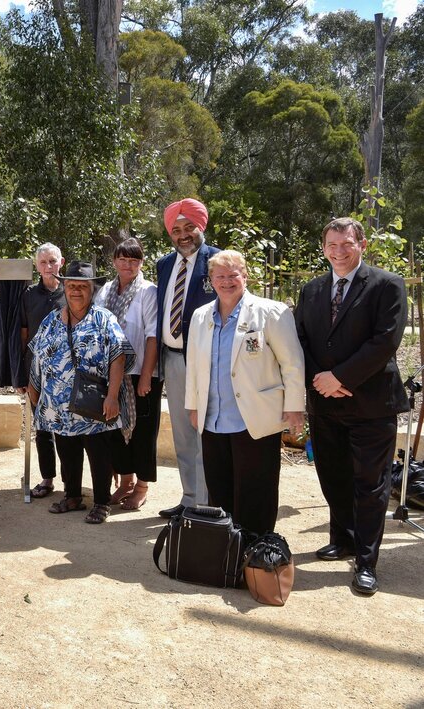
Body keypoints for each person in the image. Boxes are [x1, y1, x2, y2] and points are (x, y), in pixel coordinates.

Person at [294, 217, 409, 596]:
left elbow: (384, 341)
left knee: (370, 484)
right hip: (325, 404)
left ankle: (366, 560)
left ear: (361, 244)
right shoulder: (310, 290)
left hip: (372, 404)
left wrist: (340, 378)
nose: (339, 252)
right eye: (332, 244)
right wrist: (319, 380)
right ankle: (342, 538)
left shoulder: (387, 285)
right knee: (333, 476)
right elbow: (301, 342)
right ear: (323, 247)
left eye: (346, 244)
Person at [184, 250, 305, 534]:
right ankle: (224, 551)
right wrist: (193, 405)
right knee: (219, 489)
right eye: (220, 276)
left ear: (245, 276)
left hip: (255, 417)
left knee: (256, 490)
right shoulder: (201, 316)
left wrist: (295, 406)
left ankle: (255, 553)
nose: (227, 282)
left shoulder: (271, 312)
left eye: (233, 275)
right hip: (212, 418)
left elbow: (292, 363)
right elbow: (193, 367)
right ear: (211, 280)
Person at [27, 261, 134, 524]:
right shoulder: (51, 320)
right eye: (71, 285)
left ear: (92, 289)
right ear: (64, 287)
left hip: (93, 403)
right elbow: (37, 357)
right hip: (57, 404)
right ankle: (72, 496)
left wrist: (112, 396)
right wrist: (35, 391)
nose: (76, 291)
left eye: (82, 286)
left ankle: (100, 503)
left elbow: (118, 357)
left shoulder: (103, 319)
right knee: (67, 450)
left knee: (98, 453)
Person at [155, 198, 220, 518]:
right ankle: (189, 496)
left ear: (201, 227)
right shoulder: (164, 264)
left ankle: (206, 504)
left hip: (208, 363)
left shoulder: (218, 261)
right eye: (176, 229)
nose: (182, 235)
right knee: (182, 433)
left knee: (204, 433)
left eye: (189, 227)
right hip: (173, 360)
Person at [94, 237, 160, 511]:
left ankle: (142, 488)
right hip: (112, 375)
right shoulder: (106, 290)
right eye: (123, 259)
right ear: (114, 261)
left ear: (141, 263)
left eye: (134, 260)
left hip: (139, 375)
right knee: (115, 432)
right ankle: (125, 482)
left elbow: (152, 335)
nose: (128, 265)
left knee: (143, 433)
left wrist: (146, 376)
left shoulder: (147, 291)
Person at [16, 243, 65, 499]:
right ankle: (47, 479)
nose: (48, 267)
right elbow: (23, 336)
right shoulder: (28, 296)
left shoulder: (72, 292)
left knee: (68, 430)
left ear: (61, 262)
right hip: (37, 373)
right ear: (36, 266)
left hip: (67, 374)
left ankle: (72, 483)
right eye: (44, 262)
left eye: (53, 261)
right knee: (43, 427)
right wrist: (22, 375)